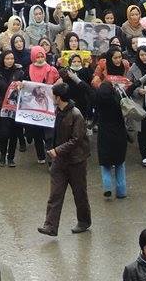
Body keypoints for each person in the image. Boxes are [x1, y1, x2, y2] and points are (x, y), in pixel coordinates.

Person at [38, 82, 92, 236]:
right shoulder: (58, 111)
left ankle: (84, 221)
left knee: (79, 194)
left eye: (53, 96)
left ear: (58, 98)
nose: (51, 98)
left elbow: (76, 140)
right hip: (59, 161)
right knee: (55, 194)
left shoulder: (76, 115)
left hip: (76, 161)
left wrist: (57, 150)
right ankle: (50, 226)